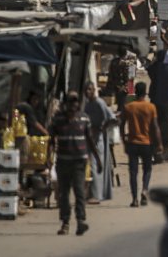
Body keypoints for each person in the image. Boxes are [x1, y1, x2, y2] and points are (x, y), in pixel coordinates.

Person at [48, 91, 100, 236]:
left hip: (79, 162)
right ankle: (65, 223)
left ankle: (80, 221)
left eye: (75, 101)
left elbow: (90, 139)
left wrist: (98, 159)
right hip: (63, 162)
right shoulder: (58, 119)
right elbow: (51, 140)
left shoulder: (84, 118)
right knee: (64, 194)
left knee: (79, 192)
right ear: (65, 104)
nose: (73, 104)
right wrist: (48, 158)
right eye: (70, 101)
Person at [121, 82, 160, 208]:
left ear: (136, 92)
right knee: (147, 169)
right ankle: (144, 190)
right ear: (145, 92)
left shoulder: (129, 107)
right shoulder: (150, 107)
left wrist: (124, 141)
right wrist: (158, 143)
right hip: (146, 143)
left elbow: (122, 125)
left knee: (133, 172)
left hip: (132, 143)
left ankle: (134, 199)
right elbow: (155, 127)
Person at [82, 81, 116, 203]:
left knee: (96, 164)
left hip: (98, 139)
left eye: (90, 89)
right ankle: (92, 193)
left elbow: (112, 119)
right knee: (90, 165)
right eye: (86, 90)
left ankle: (96, 195)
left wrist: (102, 128)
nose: (88, 92)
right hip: (89, 138)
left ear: (94, 90)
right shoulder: (87, 104)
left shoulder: (99, 103)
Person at [148, 48, 168, 162]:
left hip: (157, 101)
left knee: (157, 125)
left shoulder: (157, 67)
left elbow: (149, 69)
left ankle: (157, 149)